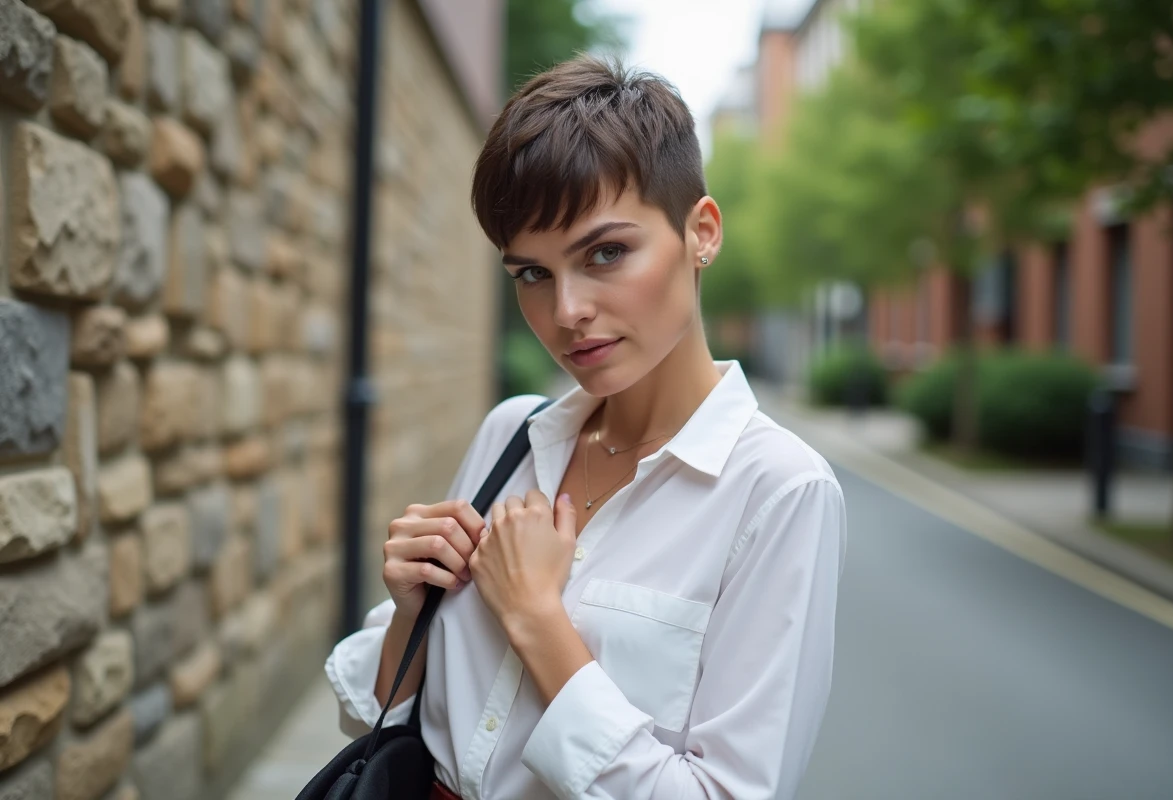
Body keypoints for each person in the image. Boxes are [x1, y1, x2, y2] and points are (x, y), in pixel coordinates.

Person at [325, 56, 847, 800]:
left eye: (606, 253)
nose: (566, 311)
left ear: (701, 232)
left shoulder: (778, 492)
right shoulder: (514, 436)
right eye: (531, 274)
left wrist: (539, 621)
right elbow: (380, 720)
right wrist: (414, 607)